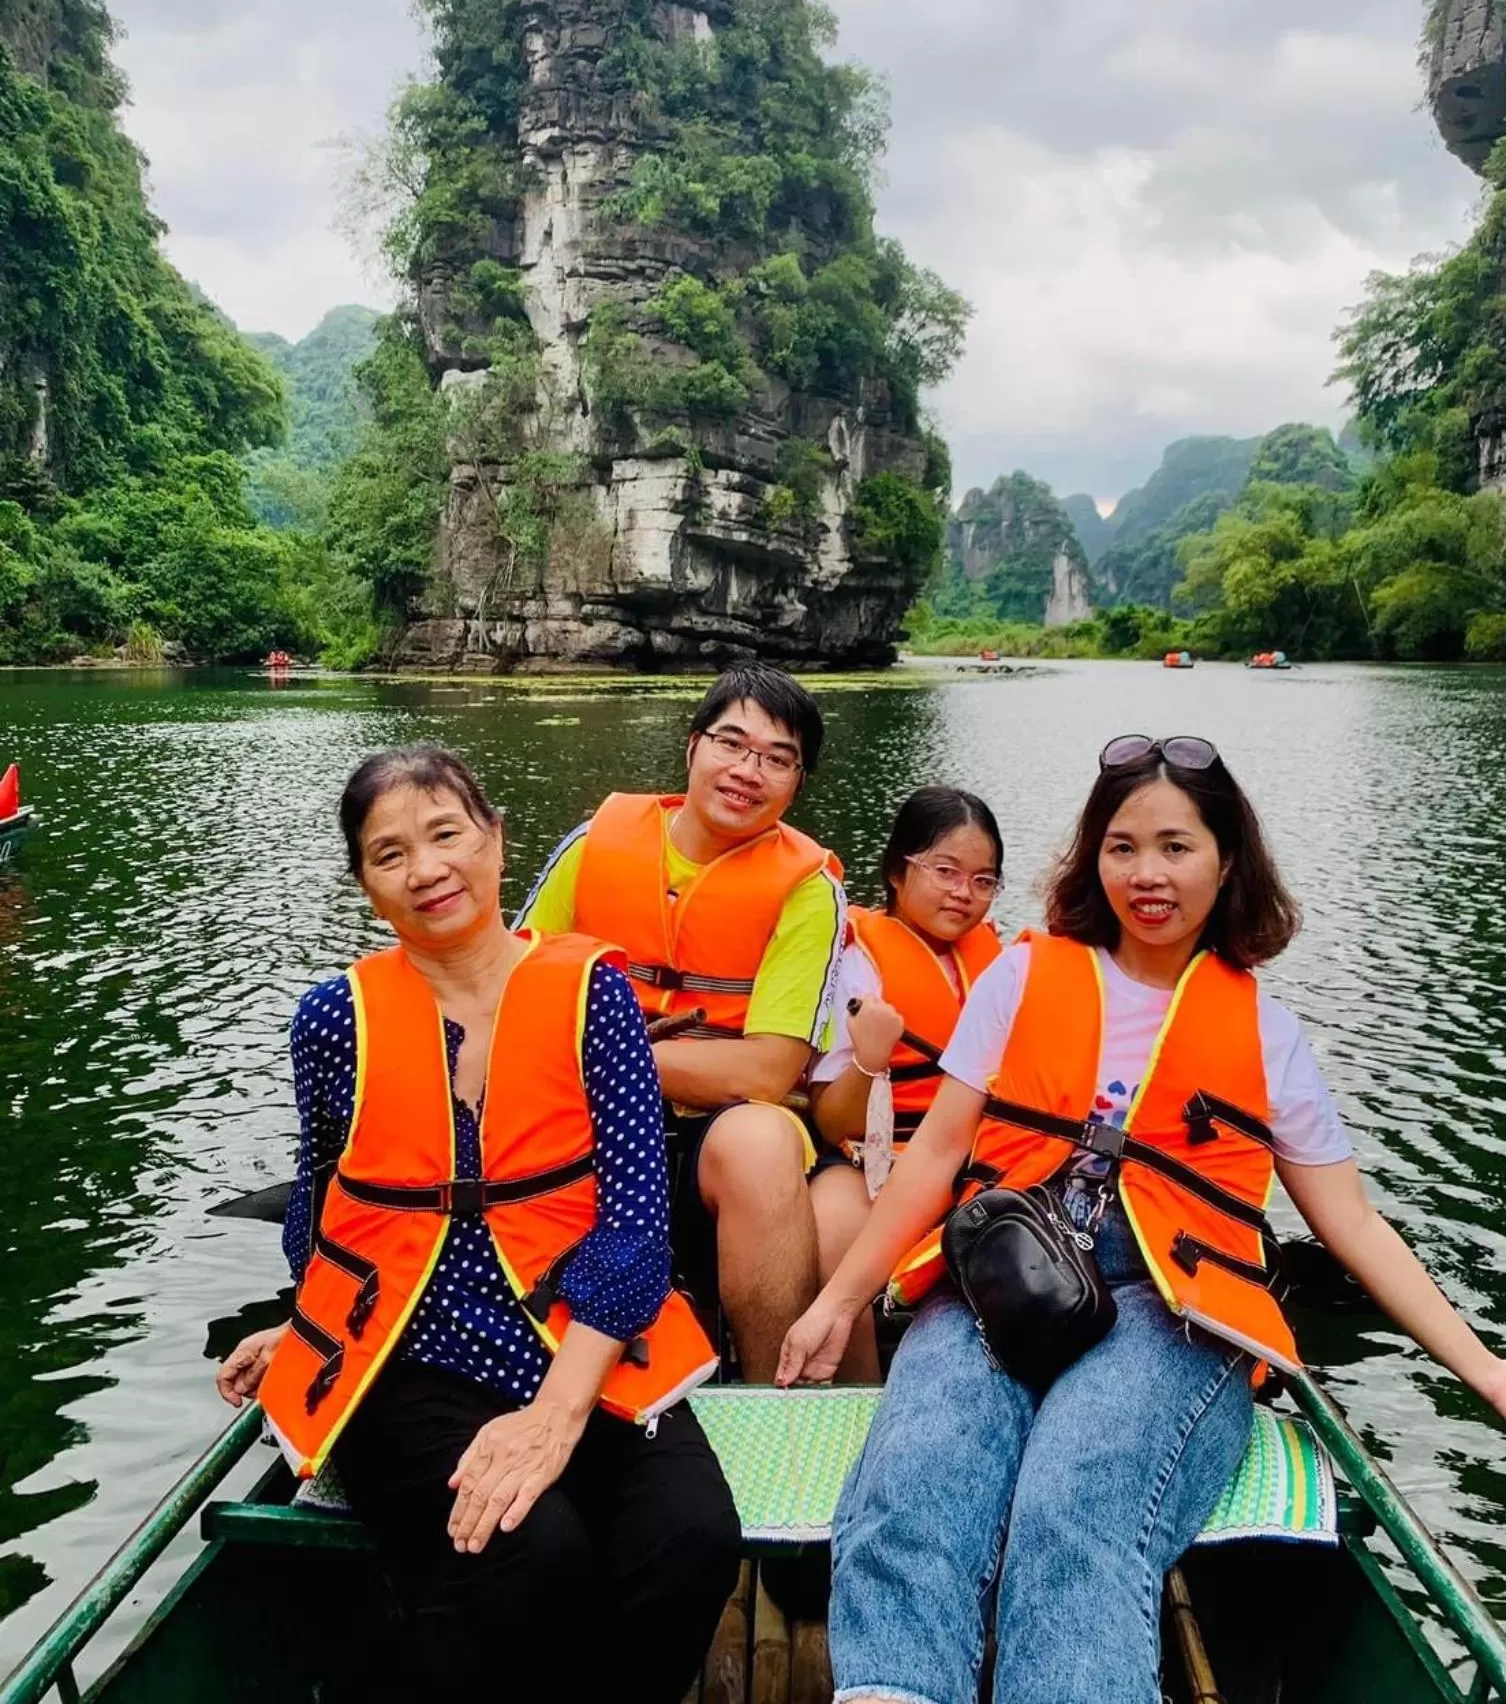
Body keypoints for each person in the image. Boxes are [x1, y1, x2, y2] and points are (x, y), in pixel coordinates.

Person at [778, 733, 1506, 1704]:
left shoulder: (1265, 1031)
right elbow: (933, 1155)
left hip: (1174, 1311)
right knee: (914, 1481)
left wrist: (1487, 1368)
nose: (1148, 872)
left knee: (1076, 1507)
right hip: (1007, 1274)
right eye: (1123, 845)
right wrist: (841, 1298)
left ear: (1227, 860)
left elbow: (1352, 1222)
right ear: (1094, 855)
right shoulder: (1024, 974)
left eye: (1176, 846)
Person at [215, 744, 738, 1704]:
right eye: (389, 852)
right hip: (408, 1347)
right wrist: (306, 1319)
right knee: (529, 1549)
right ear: (367, 884)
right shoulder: (336, 1018)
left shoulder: (593, 997)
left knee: (693, 1537)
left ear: (496, 840)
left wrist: (557, 1411)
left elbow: (633, 1226)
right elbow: (323, 1197)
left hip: (580, 1326)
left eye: (445, 833)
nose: (426, 869)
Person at [519, 665, 845, 1381]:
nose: (747, 770)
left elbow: (766, 1071)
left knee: (761, 1142)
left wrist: (609, 1054)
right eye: (731, 743)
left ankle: (770, 1395)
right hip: (579, 1114)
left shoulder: (808, 888)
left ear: (797, 782)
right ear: (693, 746)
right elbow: (514, 992)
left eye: (777, 758)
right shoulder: (594, 844)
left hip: (712, 1131)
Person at [808, 788, 1004, 1378]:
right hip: (881, 1159)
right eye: (945, 871)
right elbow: (832, 1122)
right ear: (898, 871)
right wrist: (869, 1058)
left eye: (982, 880)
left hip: (986, 1160)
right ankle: (860, 1387)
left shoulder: (1004, 963)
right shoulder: (858, 964)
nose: (962, 893)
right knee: (835, 1222)